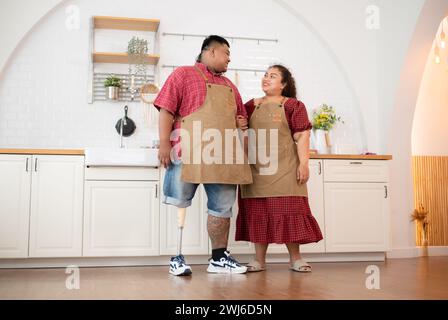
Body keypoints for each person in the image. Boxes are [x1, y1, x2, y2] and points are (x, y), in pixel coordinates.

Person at [154, 35, 252, 276]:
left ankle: (218, 259)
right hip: (186, 151)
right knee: (180, 202)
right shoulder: (183, 74)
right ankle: (176, 257)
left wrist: (240, 121)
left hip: (223, 155)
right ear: (210, 52)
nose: (230, 58)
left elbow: (240, 119)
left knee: (222, 207)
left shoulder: (230, 85)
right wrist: (164, 144)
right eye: (226, 53)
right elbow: (166, 110)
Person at [236, 65, 323, 272]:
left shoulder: (293, 106)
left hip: (285, 167)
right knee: (259, 213)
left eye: (272, 76)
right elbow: (242, 135)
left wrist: (304, 164)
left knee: (290, 210)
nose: (266, 78)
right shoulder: (251, 105)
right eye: (265, 75)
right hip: (257, 170)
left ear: (283, 84)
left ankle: (296, 259)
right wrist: (240, 124)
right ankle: (258, 260)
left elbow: (302, 135)